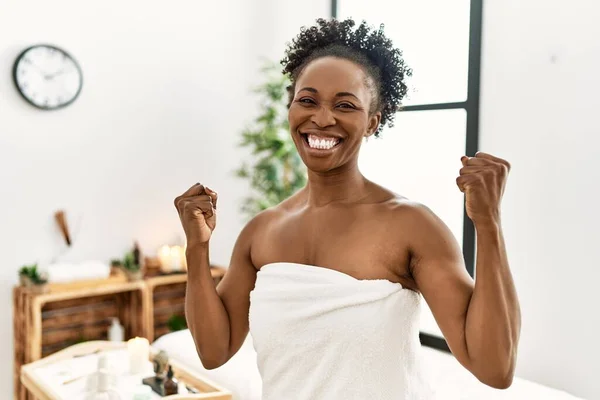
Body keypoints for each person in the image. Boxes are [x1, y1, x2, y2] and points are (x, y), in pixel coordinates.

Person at [175, 18, 521, 400]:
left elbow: (495, 368)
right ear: (290, 107)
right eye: (307, 100)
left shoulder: (410, 225)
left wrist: (488, 224)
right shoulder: (263, 231)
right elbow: (214, 351)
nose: (322, 118)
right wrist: (197, 246)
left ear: (373, 122)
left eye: (345, 105)